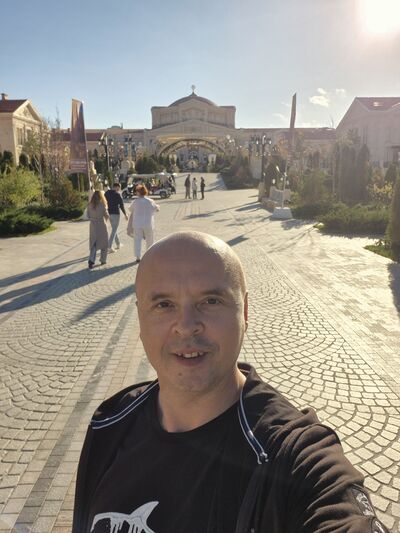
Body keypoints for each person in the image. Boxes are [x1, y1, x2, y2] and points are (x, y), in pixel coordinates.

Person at [73, 232, 388, 533]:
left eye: (211, 301)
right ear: (140, 318)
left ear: (245, 312)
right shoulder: (110, 422)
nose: (186, 326)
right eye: (164, 305)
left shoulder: (291, 455)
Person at [127, 184, 159, 264]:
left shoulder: (135, 202)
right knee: (150, 240)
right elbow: (156, 209)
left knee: (137, 240)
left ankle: (138, 257)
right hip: (148, 223)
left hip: (137, 224)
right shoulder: (150, 201)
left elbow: (130, 209)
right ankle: (149, 256)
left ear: (138, 192)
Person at [86, 190, 109, 269]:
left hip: (93, 225)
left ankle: (91, 260)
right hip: (101, 225)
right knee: (104, 243)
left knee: (94, 243)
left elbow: (88, 215)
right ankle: (103, 260)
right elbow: (106, 215)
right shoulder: (102, 204)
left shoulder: (89, 205)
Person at [105, 182, 128, 252]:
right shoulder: (117, 194)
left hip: (109, 213)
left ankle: (118, 244)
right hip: (116, 214)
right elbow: (121, 205)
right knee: (114, 230)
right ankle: (109, 246)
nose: (119, 189)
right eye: (119, 187)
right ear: (116, 187)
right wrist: (125, 214)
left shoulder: (106, 193)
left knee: (114, 229)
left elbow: (104, 202)